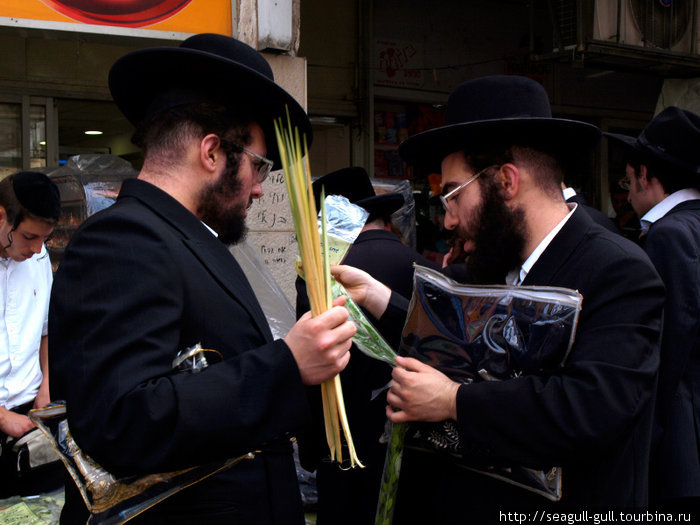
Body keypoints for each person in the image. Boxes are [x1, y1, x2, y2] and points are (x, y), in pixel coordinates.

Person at [49, 34, 356, 524]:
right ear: (212, 153)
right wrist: (286, 364)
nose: (259, 188)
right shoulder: (123, 239)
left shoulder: (190, 238)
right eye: (259, 165)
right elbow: (122, 421)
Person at [331, 75, 665, 521]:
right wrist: (377, 298)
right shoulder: (484, 269)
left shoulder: (618, 271)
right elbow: (451, 339)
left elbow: (590, 408)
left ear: (506, 182)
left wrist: (454, 401)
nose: (447, 222)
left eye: (452, 194)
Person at [295, 167, 440, 525]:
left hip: (344, 448)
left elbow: (316, 369)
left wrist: (312, 450)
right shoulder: (427, 268)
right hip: (420, 448)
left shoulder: (322, 275)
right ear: (386, 220)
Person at [605, 106, 700, 512]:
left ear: (646, 175)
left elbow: (669, 346)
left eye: (627, 182)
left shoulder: (669, 235)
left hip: (682, 442)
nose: (627, 195)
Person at [0, 171, 61, 497]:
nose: (37, 249)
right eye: (28, 236)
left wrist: (46, 389)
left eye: (44, 239)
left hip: (30, 417)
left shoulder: (39, 260)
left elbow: (46, 331)